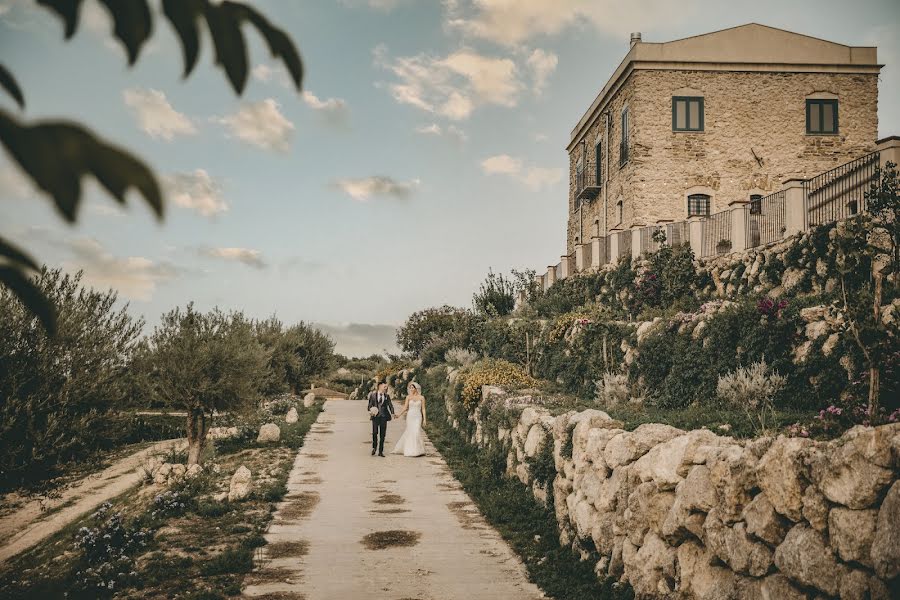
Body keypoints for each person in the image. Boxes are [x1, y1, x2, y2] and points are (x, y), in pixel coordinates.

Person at [391, 382, 427, 457]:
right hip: (410, 416)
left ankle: (418, 450)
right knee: (410, 431)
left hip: (418, 416)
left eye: (412, 388)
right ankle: (410, 450)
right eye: (410, 388)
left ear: (416, 389)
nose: (411, 389)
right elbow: (405, 408)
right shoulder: (408, 397)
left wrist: (424, 419)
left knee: (416, 431)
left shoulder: (421, 397)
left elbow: (423, 409)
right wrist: (399, 415)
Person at [367, 382, 394, 457]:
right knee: (375, 433)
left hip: (384, 417)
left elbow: (390, 405)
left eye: (386, 387)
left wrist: (392, 413)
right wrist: (372, 411)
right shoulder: (373, 395)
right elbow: (369, 406)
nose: (386, 387)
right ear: (379, 386)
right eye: (384, 386)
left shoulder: (386, 396)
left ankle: (380, 451)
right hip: (375, 417)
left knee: (383, 435)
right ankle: (374, 447)